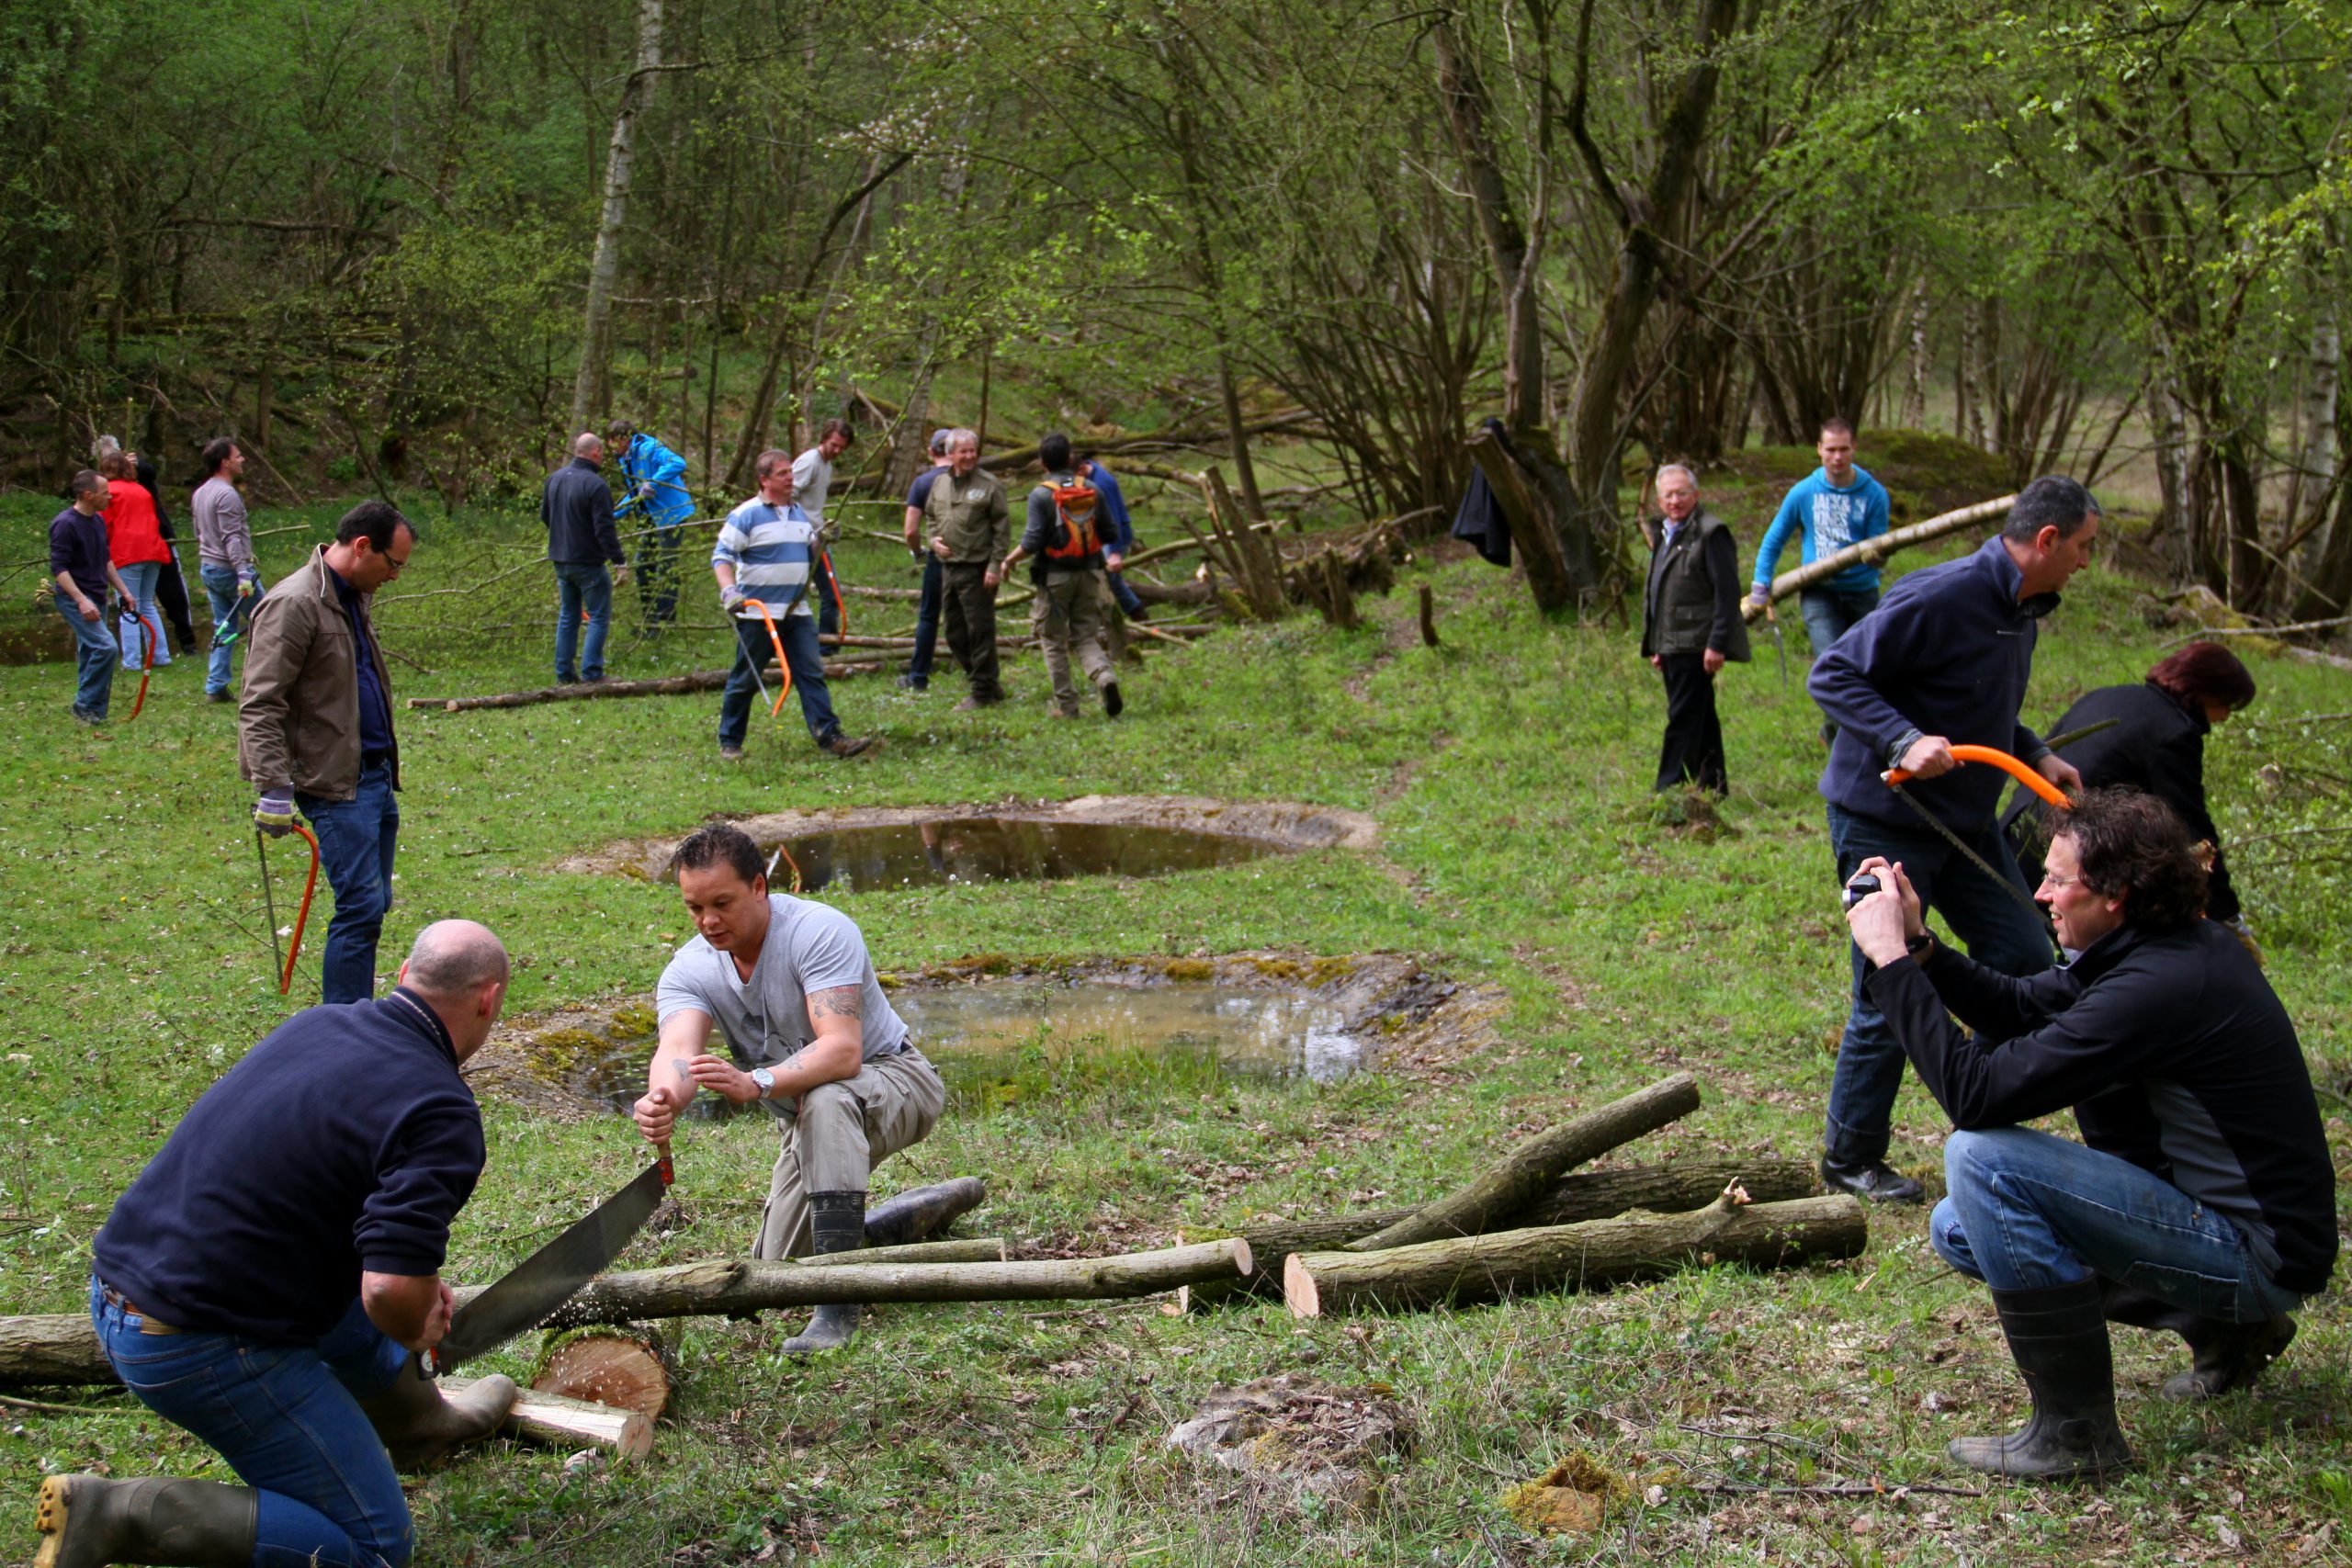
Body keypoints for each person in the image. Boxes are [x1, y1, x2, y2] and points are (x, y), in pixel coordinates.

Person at [1845, 788, 2334, 1479]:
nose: (2040, 893)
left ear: (2116, 894)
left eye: (2057, 879)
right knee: (1960, 1226)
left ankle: (2077, 1435)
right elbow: (2021, 1005)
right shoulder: (2161, 947)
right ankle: (2231, 1329)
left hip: (2258, 1255)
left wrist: (1890, 962)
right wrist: (1922, 948)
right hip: (2247, 1235)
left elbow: (1974, 1094)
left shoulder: (2158, 987)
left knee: (1982, 1159)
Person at [38, 922, 521, 1568]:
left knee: (349, 1307)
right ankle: (118, 1513)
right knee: (375, 1547)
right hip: (196, 1340)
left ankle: (422, 1426)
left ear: (404, 971)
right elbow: (386, 1290)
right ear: (488, 999)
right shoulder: (440, 1108)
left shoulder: (320, 1024)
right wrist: (415, 1315)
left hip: (120, 1284)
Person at [1806, 476, 2098, 1202]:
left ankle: (1983, 1108)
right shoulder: (1941, 594)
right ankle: (1850, 1157)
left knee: (2028, 956)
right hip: (1885, 816)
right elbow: (1832, 672)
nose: (2087, 563)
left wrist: (2033, 751)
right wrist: (1901, 739)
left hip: (1963, 822)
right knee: (1886, 981)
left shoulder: (2022, 609)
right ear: (2047, 540)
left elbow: (1973, 697)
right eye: (2084, 548)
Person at [632, 826, 973, 1354]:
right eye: (694, 908)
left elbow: (841, 1052)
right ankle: (895, 1223)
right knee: (774, 1271)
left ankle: (836, 1312)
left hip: (896, 1082)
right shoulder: (690, 968)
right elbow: (678, 1050)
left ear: (760, 887)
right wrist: (664, 1099)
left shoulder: (819, 931)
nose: (708, 922)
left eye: (722, 903)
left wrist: (757, 1082)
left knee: (828, 1095)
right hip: (811, 1119)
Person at [240, 501, 415, 1004]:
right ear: (363, 547)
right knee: (359, 907)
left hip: (375, 777)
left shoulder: (351, 595)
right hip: (337, 785)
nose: (395, 577)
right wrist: (273, 787)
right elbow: (260, 701)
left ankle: (351, 1018)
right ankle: (345, 1031)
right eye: (393, 564)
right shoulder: (294, 603)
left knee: (374, 903)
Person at [2005, 641, 2256, 942]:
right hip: (2065, 854)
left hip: (2015, 832)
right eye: (2227, 703)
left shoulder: (2109, 695)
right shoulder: (2174, 732)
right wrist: (2227, 915)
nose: (2226, 716)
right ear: (2206, 691)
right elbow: (2193, 833)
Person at [712, 450, 876, 761]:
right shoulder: (746, 514)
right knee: (745, 678)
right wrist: (729, 591)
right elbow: (722, 556)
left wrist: (823, 539)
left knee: (811, 674)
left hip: (796, 612)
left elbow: (809, 554)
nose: (791, 478)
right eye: (783, 473)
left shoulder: (799, 513)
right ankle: (730, 741)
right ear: (764, 479)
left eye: (791, 472)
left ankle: (831, 737)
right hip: (760, 614)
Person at [1639, 464, 1749, 793]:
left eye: (1682, 493)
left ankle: (1668, 789)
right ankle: (1714, 784)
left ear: (1696, 495)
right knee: (1701, 715)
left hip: (1696, 643)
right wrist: (1655, 644)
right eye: (1668, 494)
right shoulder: (1663, 532)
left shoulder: (1711, 533)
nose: (1675, 500)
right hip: (1670, 642)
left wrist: (1717, 643)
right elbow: (1658, 591)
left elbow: (1727, 593)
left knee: (1683, 718)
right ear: (1659, 500)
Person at [1003, 432, 1125, 719]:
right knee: (1085, 636)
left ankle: (1068, 708)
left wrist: (1009, 560)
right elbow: (1110, 533)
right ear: (1070, 458)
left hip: (1055, 579)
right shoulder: (1093, 489)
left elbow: (1031, 542)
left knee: (1053, 641)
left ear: (1042, 462)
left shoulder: (1041, 494)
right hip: (1091, 574)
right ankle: (1104, 676)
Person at [923, 428, 1012, 710]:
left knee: (980, 631)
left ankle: (982, 692)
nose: (969, 456)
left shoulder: (990, 485)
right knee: (953, 632)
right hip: (948, 568)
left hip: (978, 569)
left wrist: (996, 565)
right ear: (950, 454)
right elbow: (931, 517)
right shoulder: (939, 484)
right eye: (963, 451)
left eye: (973, 450)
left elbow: (1002, 529)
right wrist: (933, 541)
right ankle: (987, 679)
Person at [48, 469, 133, 726]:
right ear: (88, 494)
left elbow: (105, 559)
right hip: (74, 598)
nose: (110, 496)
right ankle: (83, 705)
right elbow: (59, 569)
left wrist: (124, 591)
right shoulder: (65, 524)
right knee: (106, 648)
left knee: (90, 652)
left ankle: (95, 711)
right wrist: (80, 600)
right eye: (105, 492)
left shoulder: (97, 520)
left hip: (97, 595)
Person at [541, 432, 628, 684]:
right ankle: (592, 673)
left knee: (569, 615)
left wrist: (565, 537)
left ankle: (564, 675)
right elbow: (604, 528)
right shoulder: (596, 485)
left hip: (560, 559)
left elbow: (546, 516)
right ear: (596, 452)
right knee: (598, 615)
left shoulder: (554, 479)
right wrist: (619, 561)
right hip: (588, 562)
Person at [191, 437, 263, 703]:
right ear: (225, 462)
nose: (242, 459)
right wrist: (242, 572)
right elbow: (231, 537)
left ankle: (216, 685)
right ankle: (264, 684)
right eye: (238, 455)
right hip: (231, 573)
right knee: (267, 622)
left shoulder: (200, 493)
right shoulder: (226, 495)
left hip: (209, 568)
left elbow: (199, 532)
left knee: (223, 626)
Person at [606, 419, 695, 628]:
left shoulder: (649, 448)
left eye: (612, 441)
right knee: (643, 564)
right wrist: (613, 514)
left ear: (623, 439)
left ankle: (665, 622)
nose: (611, 447)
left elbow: (678, 463)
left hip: (672, 515)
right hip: (651, 518)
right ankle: (649, 618)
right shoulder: (624, 459)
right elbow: (637, 494)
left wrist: (652, 483)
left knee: (666, 566)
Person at [97, 446, 174, 670]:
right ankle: (161, 656)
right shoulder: (142, 491)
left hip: (127, 552)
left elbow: (104, 525)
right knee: (147, 604)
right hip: (153, 551)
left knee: (127, 605)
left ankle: (132, 661)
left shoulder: (110, 492)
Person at [897, 429, 954, 691]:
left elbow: (911, 530)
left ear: (931, 452)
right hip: (972, 558)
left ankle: (918, 677)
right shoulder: (972, 479)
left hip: (937, 559)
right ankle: (980, 674)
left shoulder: (922, 483)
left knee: (929, 616)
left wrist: (918, 551)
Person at [134, 446, 201, 658]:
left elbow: (149, 472)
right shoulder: (107, 486)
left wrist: (135, 464)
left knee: (173, 595)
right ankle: (138, 651)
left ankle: (187, 642)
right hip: (132, 548)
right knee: (137, 601)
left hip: (161, 540)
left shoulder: (142, 477)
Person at [792, 418, 854, 640]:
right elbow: (787, 497)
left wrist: (825, 523)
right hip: (803, 540)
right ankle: (823, 645)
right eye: (833, 445)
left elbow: (810, 504)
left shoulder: (826, 465)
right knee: (825, 593)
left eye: (841, 447)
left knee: (831, 594)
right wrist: (809, 532)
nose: (837, 450)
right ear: (824, 438)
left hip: (818, 536)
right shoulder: (810, 462)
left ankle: (824, 643)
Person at [1077, 453, 1148, 623]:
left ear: (1081, 468)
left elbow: (1113, 520)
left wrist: (1114, 552)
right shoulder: (1085, 473)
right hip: (1098, 535)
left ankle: (1140, 619)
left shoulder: (1102, 484)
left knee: (1110, 580)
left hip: (1113, 537)